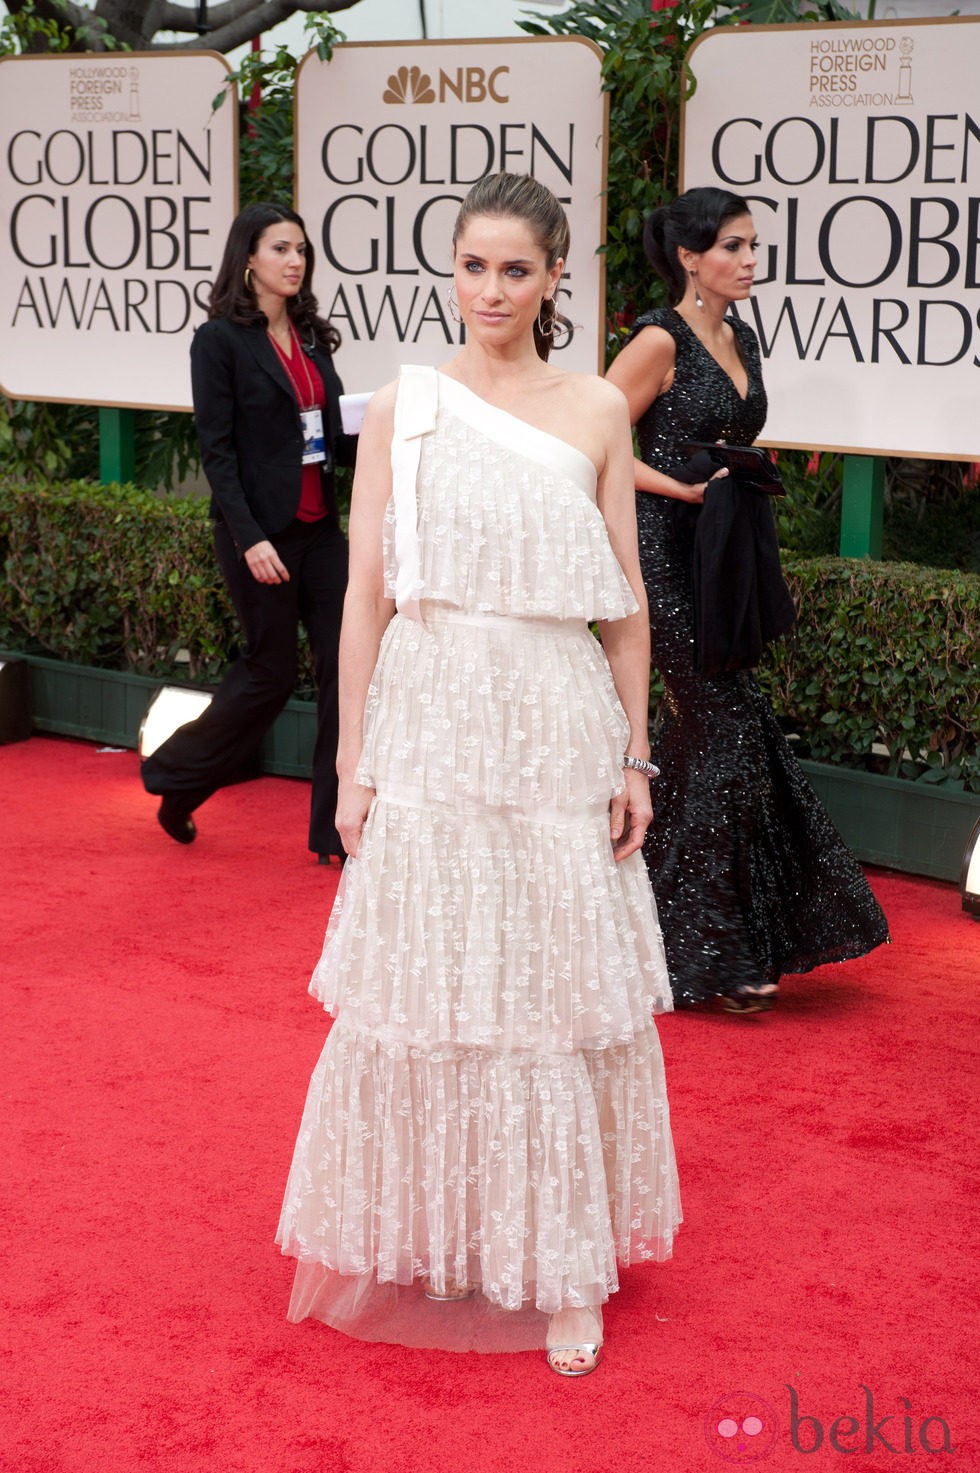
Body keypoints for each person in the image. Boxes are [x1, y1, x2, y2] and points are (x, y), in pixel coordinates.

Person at [276, 173, 681, 1375]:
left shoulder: (598, 411)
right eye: (471, 266)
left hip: (553, 720)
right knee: (434, 991)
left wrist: (633, 754)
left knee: (549, 999)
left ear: (557, 278)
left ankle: (562, 1270)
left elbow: (624, 613)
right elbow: (361, 596)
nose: (490, 290)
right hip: (432, 716)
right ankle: (451, 1227)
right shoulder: (404, 405)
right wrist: (352, 764)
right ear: (447, 271)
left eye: (516, 269)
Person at [605, 186, 889, 1012]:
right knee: (726, 734)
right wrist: (684, 493)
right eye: (733, 246)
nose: (749, 260)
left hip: (724, 554)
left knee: (714, 740)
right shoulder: (658, 338)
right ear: (690, 256)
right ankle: (720, 952)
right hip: (664, 552)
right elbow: (594, 443)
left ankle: (648, 928)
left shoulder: (742, 336)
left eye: (754, 246)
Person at [141, 201, 353, 861]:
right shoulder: (219, 341)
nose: (295, 261)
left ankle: (333, 831)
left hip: (322, 531)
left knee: (348, 667)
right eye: (281, 249)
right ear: (249, 258)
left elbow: (334, 430)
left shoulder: (312, 336)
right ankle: (178, 780)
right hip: (260, 532)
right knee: (270, 674)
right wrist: (249, 537)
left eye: (301, 251)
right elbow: (218, 451)